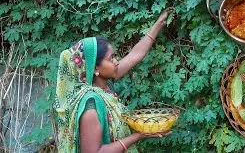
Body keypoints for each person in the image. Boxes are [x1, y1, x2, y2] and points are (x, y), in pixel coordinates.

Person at [54, 8, 175, 153]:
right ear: (95, 68)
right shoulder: (91, 104)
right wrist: (138, 136)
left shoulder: (104, 85)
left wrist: (159, 24)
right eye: (111, 58)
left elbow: (135, 55)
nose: (117, 62)